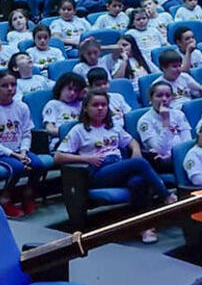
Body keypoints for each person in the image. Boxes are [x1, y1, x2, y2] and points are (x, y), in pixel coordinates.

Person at [55, 92, 174, 243]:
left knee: (138, 181)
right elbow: (58, 157)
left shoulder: (113, 127)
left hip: (117, 167)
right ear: (85, 108)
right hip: (97, 172)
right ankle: (166, 196)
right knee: (140, 164)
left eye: (103, 105)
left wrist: (136, 151)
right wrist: (87, 158)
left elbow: (131, 142)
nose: (100, 108)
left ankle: (145, 228)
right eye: (95, 105)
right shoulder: (79, 130)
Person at [0, 70, 52, 217]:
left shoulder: (22, 107)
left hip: (19, 151)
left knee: (38, 165)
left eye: (13, 85)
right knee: (17, 167)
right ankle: (5, 199)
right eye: (4, 86)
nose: (10, 89)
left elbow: (26, 133)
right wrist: (15, 155)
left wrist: (24, 152)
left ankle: (28, 194)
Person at [137, 80, 193, 173]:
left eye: (168, 95)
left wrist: (173, 155)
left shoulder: (178, 114)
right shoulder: (144, 121)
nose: (164, 99)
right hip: (162, 162)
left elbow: (187, 142)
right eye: (159, 96)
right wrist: (166, 121)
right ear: (150, 98)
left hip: (181, 155)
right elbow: (159, 149)